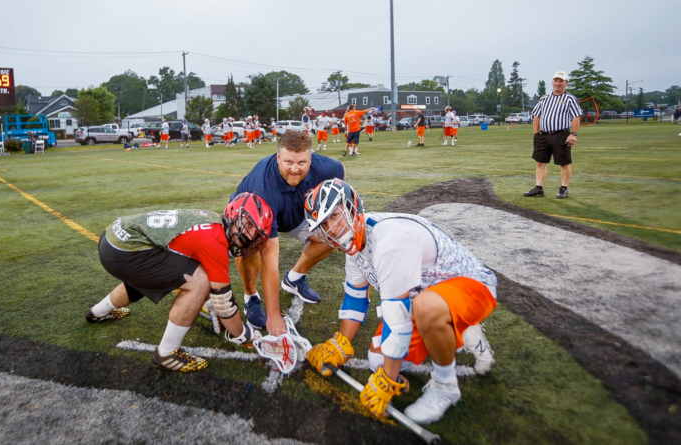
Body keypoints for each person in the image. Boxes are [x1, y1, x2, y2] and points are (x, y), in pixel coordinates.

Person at [303, 178, 497, 424]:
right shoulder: (355, 243)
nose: (331, 228)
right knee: (377, 359)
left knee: (424, 309)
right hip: (425, 295)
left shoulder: (389, 240)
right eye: (323, 224)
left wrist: (388, 378)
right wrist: (341, 342)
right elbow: (355, 295)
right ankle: (463, 329)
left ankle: (446, 385)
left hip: (472, 286)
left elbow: (397, 319)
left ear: (352, 206)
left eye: (334, 216)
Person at [87, 193, 273, 372]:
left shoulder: (213, 222)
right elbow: (224, 303)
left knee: (150, 278)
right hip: (123, 251)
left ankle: (97, 312)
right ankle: (166, 353)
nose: (249, 236)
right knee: (199, 281)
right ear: (234, 214)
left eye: (255, 232)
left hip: (115, 238)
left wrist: (208, 302)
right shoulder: (214, 240)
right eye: (247, 225)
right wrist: (242, 333)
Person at [232, 130, 346, 333]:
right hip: (254, 216)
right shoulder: (263, 189)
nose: (295, 169)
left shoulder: (326, 166)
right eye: (288, 162)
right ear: (278, 158)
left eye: (301, 162)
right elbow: (270, 257)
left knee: (333, 233)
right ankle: (251, 296)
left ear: (310, 158)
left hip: (295, 209)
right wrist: (274, 315)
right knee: (248, 245)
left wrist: (333, 207)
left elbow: (340, 173)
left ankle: (293, 278)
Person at [524, 70, 583, 199]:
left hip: (561, 135)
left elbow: (576, 117)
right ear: (552, 82)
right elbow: (536, 116)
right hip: (544, 135)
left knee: (564, 162)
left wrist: (573, 134)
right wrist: (536, 134)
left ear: (566, 83)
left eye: (561, 81)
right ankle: (539, 188)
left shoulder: (570, 99)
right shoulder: (545, 98)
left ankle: (564, 188)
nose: (558, 83)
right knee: (540, 162)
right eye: (555, 81)